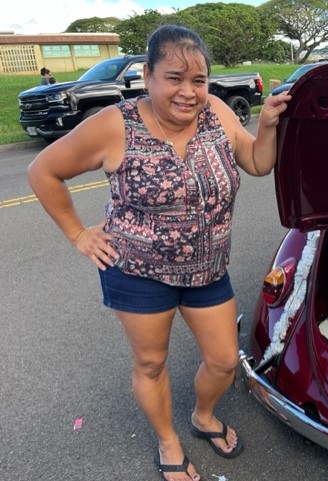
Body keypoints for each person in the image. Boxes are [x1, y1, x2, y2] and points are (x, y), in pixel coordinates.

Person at [28, 24, 291, 481]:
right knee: (151, 363)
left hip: (208, 269)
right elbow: (42, 170)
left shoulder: (217, 112)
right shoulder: (115, 124)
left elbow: (257, 163)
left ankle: (202, 416)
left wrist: (266, 126)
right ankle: (169, 441)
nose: (188, 92)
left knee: (225, 360)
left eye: (198, 80)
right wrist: (77, 234)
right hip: (137, 273)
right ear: (146, 76)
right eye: (174, 78)